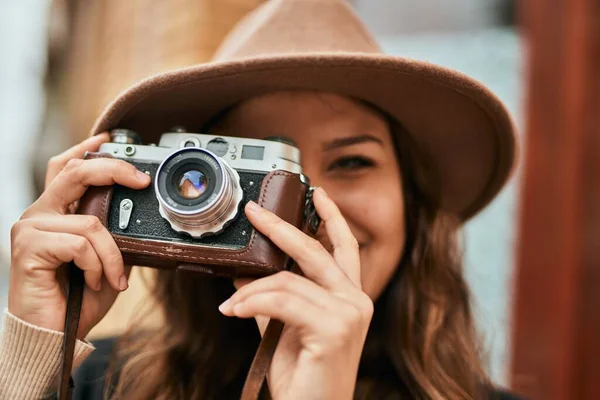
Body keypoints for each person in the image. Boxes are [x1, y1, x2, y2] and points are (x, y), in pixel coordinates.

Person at [0, 0, 520, 399]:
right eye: (263, 172)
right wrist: (35, 356)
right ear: (172, 196)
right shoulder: (99, 384)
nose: (304, 209)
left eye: (352, 162)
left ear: (412, 201)